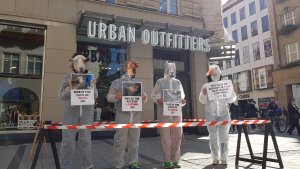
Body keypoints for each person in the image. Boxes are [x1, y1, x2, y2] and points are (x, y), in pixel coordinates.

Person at [58, 53, 98, 169]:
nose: (80, 65)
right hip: (70, 115)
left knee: (86, 141)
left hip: (87, 114)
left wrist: (93, 86)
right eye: (76, 62)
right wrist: (69, 88)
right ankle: (65, 166)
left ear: (85, 63)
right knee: (68, 142)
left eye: (83, 62)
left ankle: (88, 165)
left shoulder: (90, 76)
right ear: (72, 63)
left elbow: (95, 96)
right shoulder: (67, 77)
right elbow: (60, 96)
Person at [107, 61, 147, 169]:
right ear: (124, 68)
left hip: (135, 116)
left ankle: (133, 162)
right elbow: (108, 97)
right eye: (129, 67)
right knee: (120, 141)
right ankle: (118, 164)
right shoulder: (117, 82)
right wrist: (117, 96)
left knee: (134, 141)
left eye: (133, 67)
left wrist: (144, 98)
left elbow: (144, 98)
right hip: (122, 115)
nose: (131, 69)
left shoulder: (138, 83)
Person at [199, 64, 237, 165]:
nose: (215, 75)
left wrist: (232, 92)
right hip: (210, 114)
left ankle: (224, 158)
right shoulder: (206, 86)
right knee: (213, 137)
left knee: (224, 136)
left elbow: (231, 99)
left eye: (217, 73)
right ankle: (215, 157)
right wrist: (203, 93)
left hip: (224, 113)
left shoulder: (225, 85)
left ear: (220, 74)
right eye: (213, 73)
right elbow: (202, 101)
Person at [151, 61, 186, 169]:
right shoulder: (160, 82)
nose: (170, 72)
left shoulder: (178, 82)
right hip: (164, 114)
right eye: (168, 69)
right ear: (165, 70)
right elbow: (153, 94)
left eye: (172, 70)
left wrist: (183, 101)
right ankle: (167, 161)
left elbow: (182, 96)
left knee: (177, 137)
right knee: (165, 138)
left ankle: (175, 160)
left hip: (176, 114)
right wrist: (158, 100)